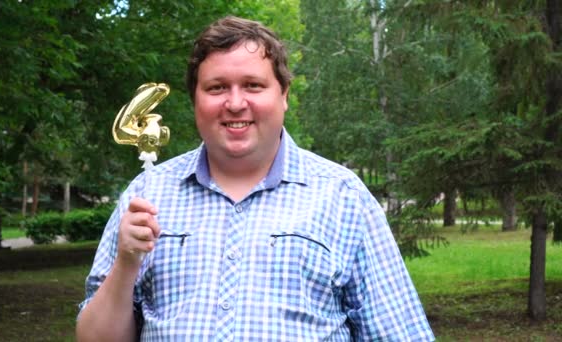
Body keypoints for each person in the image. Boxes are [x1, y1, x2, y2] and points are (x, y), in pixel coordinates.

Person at [76, 16, 435, 341]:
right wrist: (126, 262)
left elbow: (399, 334)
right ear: (195, 100)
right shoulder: (147, 194)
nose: (235, 103)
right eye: (217, 88)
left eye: (253, 85)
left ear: (284, 95)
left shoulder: (342, 196)